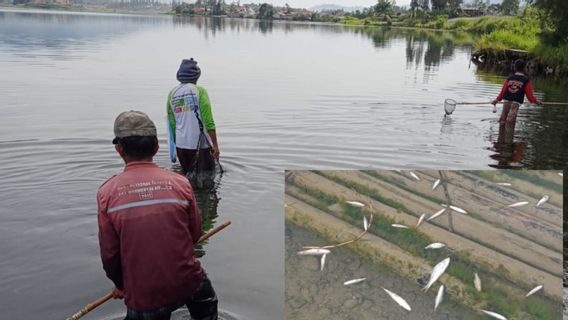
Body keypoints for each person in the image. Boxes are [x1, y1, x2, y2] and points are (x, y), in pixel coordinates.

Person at [97, 110, 218, 320]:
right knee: (205, 299)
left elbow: (110, 256)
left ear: (119, 149)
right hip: (189, 282)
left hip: (145, 296)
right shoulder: (181, 183)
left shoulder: (107, 194)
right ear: (156, 147)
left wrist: (120, 285)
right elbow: (195, 234)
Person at [167, 58, 220, 174]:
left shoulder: (172, 93)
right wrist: (215, 146)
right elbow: (208, 121)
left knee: (188, 180)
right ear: (197, 76)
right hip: (201, 146)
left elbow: (172, 124)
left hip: (181, 146)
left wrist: (177, 144)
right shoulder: (199, 91)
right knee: (208, 182)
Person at [492, 59, 541, 125]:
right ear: (525, 68)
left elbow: (503, 91)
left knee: (502, 120)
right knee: (510, 122)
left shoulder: (509, 78)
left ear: (515, 68)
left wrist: (497, 100)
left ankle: (501, 134)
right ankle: (509, 135)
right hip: (515, 103)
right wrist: (536, 101)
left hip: (506, 101)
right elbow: (530, 96)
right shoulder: (526, 80)